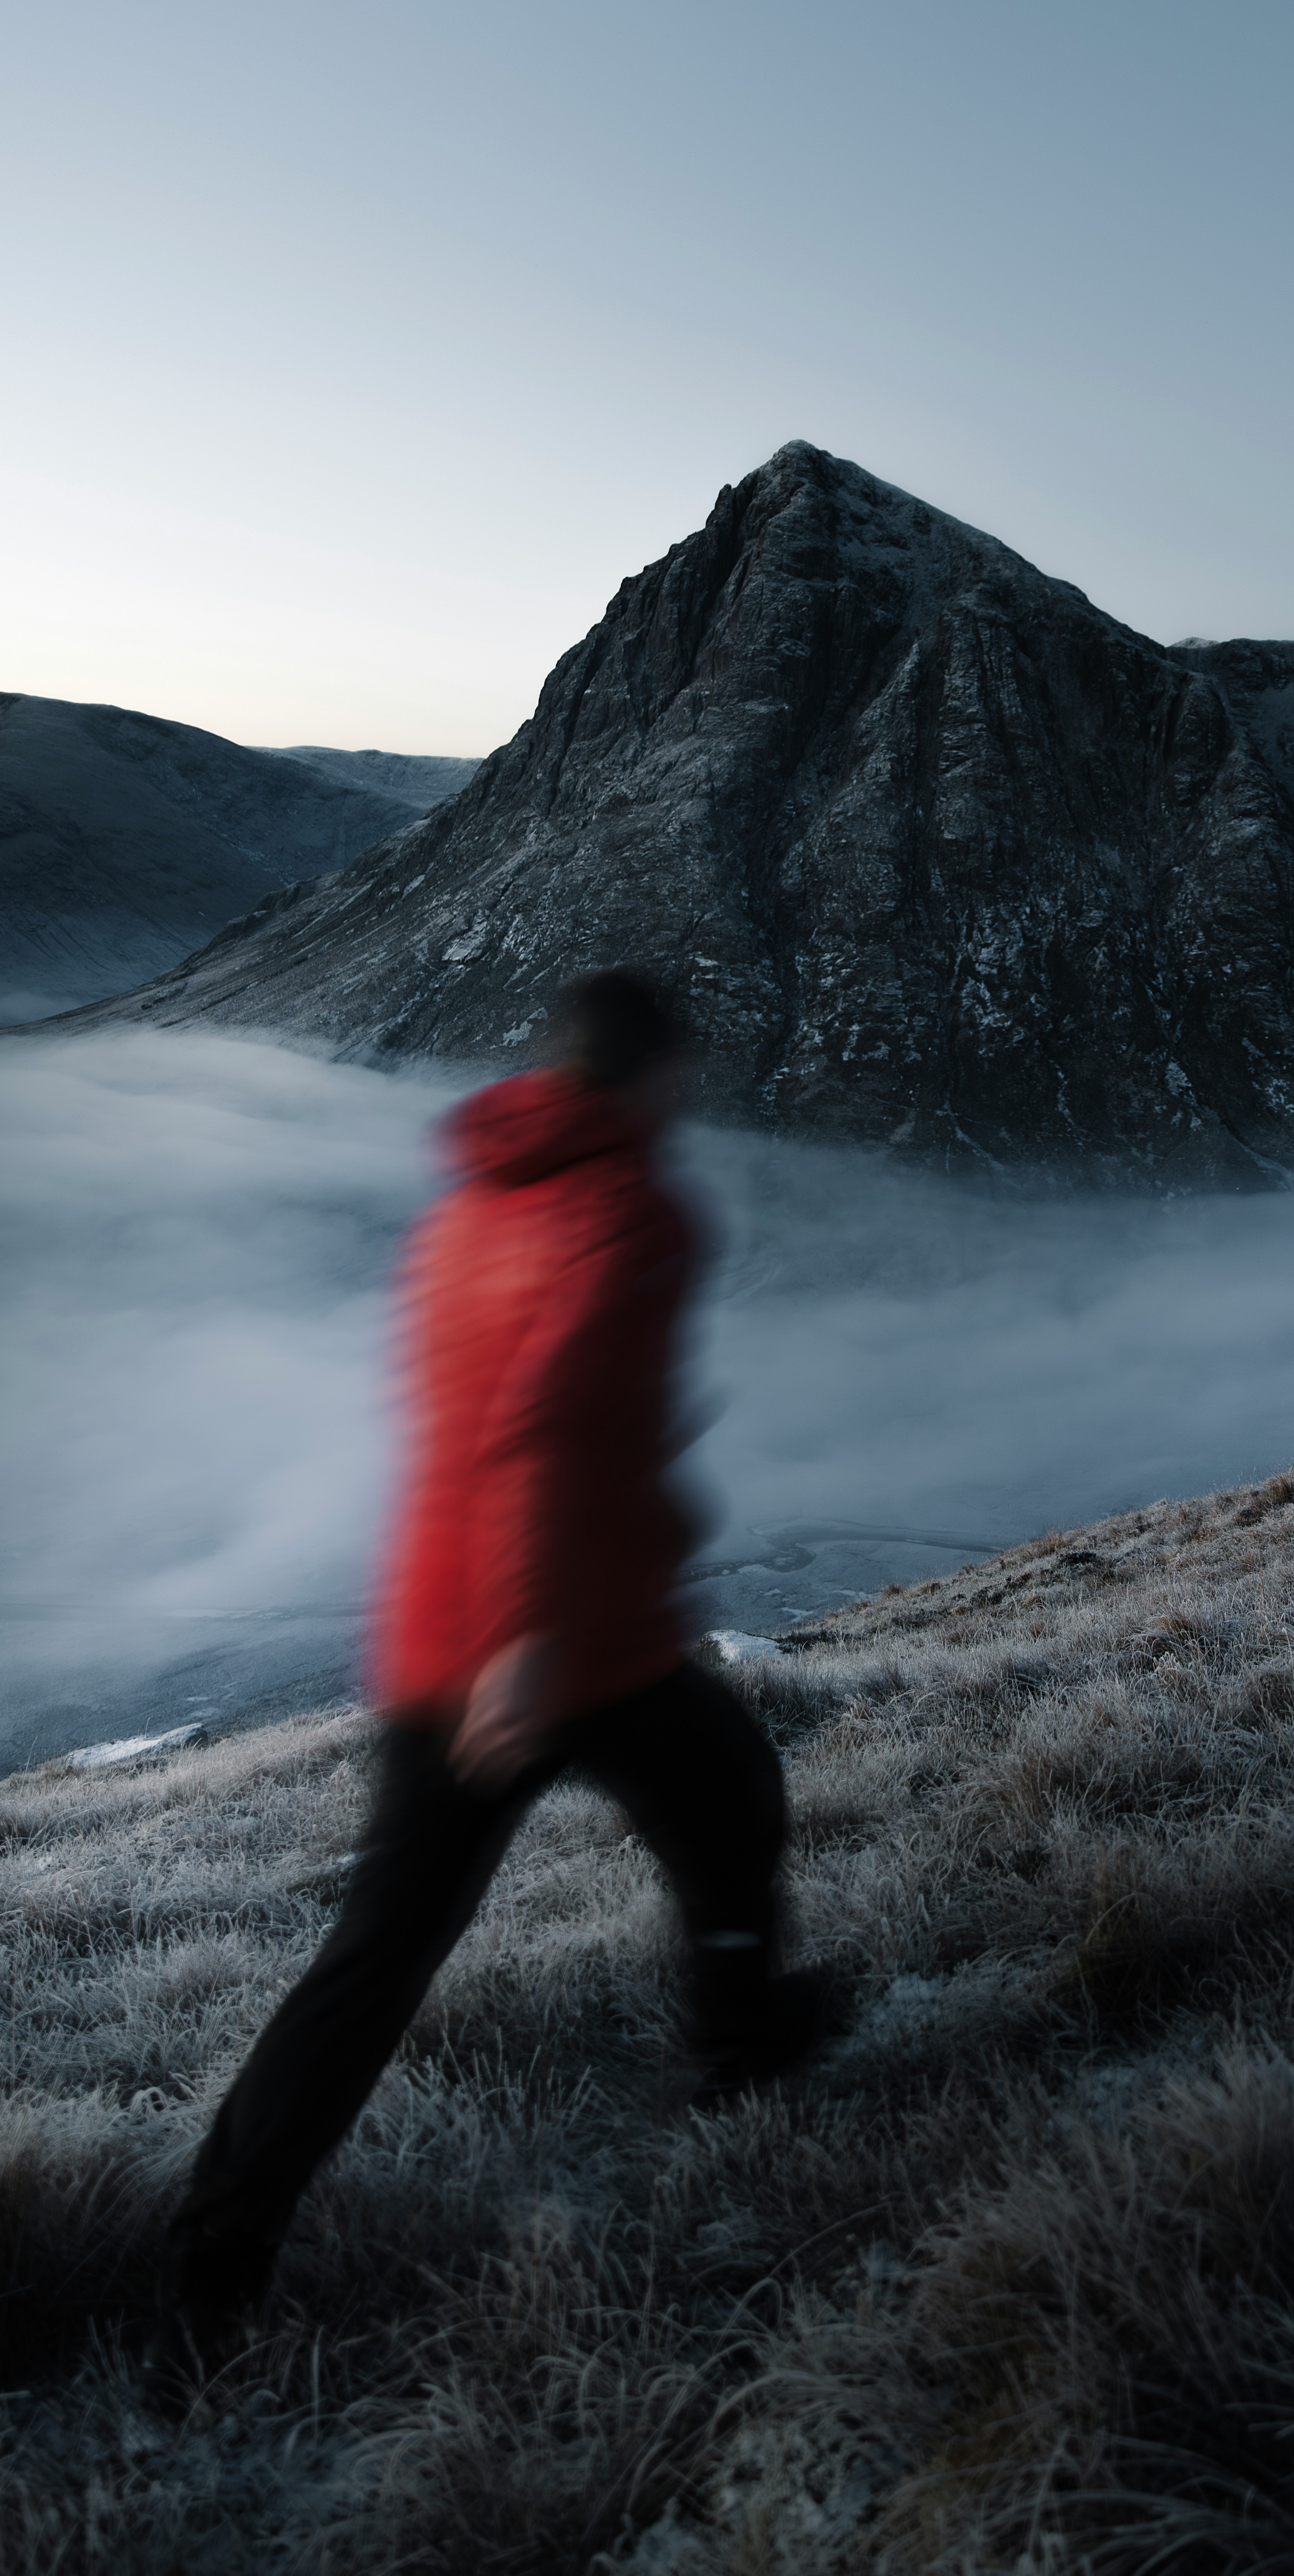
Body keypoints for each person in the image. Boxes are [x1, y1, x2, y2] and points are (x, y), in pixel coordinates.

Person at [148, 971, 826, 2400]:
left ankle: (209, 2268)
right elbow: (546, 1434)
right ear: (659, 1075)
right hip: (559, 1645)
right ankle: (739, 2047)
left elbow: (488, 1411)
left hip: (452, 1629)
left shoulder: (470, 1203)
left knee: (383, 1954)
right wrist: (525, 1642)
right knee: (725, 1800)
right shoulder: (633, 1210)